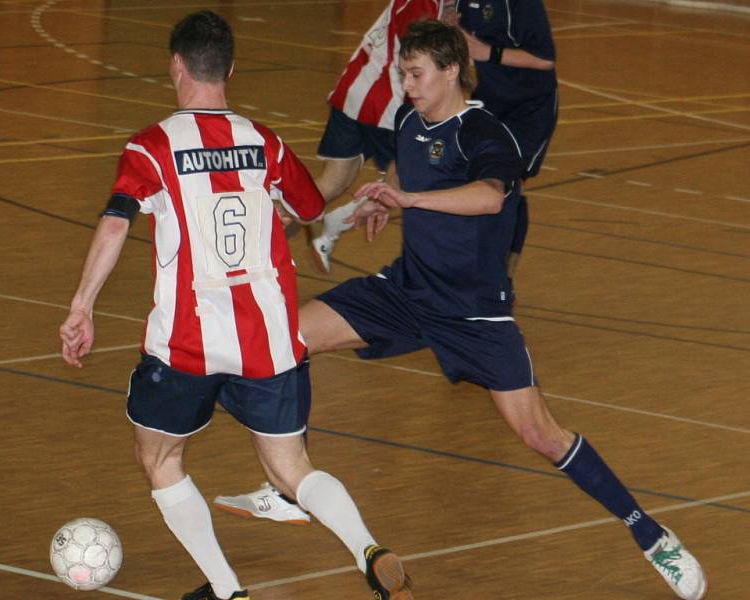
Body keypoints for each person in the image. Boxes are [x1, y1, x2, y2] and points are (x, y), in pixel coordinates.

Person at [214, 20, 707, 600]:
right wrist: (384, 197)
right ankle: (292, 481)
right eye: (402, 73)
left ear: (451, 71)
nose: (407, 85)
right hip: (407, 291)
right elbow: (404, 165)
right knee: (284, 337)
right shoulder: (407, 120)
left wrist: (411, 199)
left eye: (416, 74)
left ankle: (651, 537)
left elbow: (490, 196)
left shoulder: (485, 133)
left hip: (475, 314)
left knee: (541, 435)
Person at [58, 11, 412, 600]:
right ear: (231, 69)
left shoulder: (152, 147)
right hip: (269, 340)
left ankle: (227, 590)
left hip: (188, 343)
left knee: (162, 458)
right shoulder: (263, 141)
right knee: (291, 469)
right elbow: (305, 209)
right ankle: (369, 549)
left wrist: (81, 306)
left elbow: (116, 223)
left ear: (177, 66)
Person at [305, 0, 444, 273]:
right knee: (404, 182)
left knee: (331, 183)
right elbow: (418, 60)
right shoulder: (422, 4)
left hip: (355, 90)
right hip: (386, 104)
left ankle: (260, 234)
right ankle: (332, 226)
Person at [448, 0, 559, 281]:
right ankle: (468, 267)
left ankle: (502, 280)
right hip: (489, 99)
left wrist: (487, 52)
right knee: (472, 178)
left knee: (505, 184)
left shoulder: (523, 5)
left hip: (529, 109)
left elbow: (545, 58)